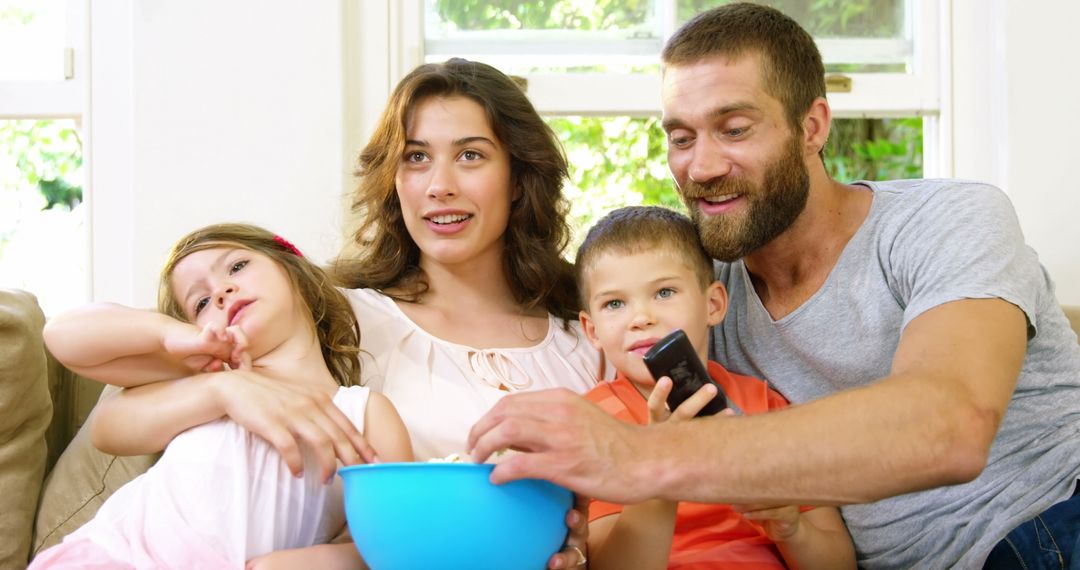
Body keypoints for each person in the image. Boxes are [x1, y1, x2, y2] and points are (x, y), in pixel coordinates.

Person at [467, 4, 1080, 569]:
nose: (701, 167)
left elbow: (951, 424)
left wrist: (638, 459)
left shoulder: (947, 219)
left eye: (734, 129)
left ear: (812, 126)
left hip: (1050, 526)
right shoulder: (697, 293)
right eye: (681, 138)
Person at [70, 59, 601, 569]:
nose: (439, 184)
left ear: (518, 176)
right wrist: (222, 389)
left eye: (470, 156)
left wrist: (581, 551)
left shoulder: (589, 346)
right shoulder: (333, 316)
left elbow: (612, 512)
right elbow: (112, 384)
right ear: (393, 181)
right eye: (415, 157)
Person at [32, 223, 413, 568]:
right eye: (199, 303)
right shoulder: (203, 373)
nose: (221, 291)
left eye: (236, 267)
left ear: (293, 270)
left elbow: (392, 542)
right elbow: (62, 337)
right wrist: (173, 338)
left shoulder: (364, 412)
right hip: (115, 558)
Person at [576, 205, 855, 569]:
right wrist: (662, 465)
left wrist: (792, 530)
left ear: (713, 304)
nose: (641, 318)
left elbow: (839, 563)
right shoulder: (595, 425)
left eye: (664, 293)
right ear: (592, 331)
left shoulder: (764, 406)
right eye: (615, 303)